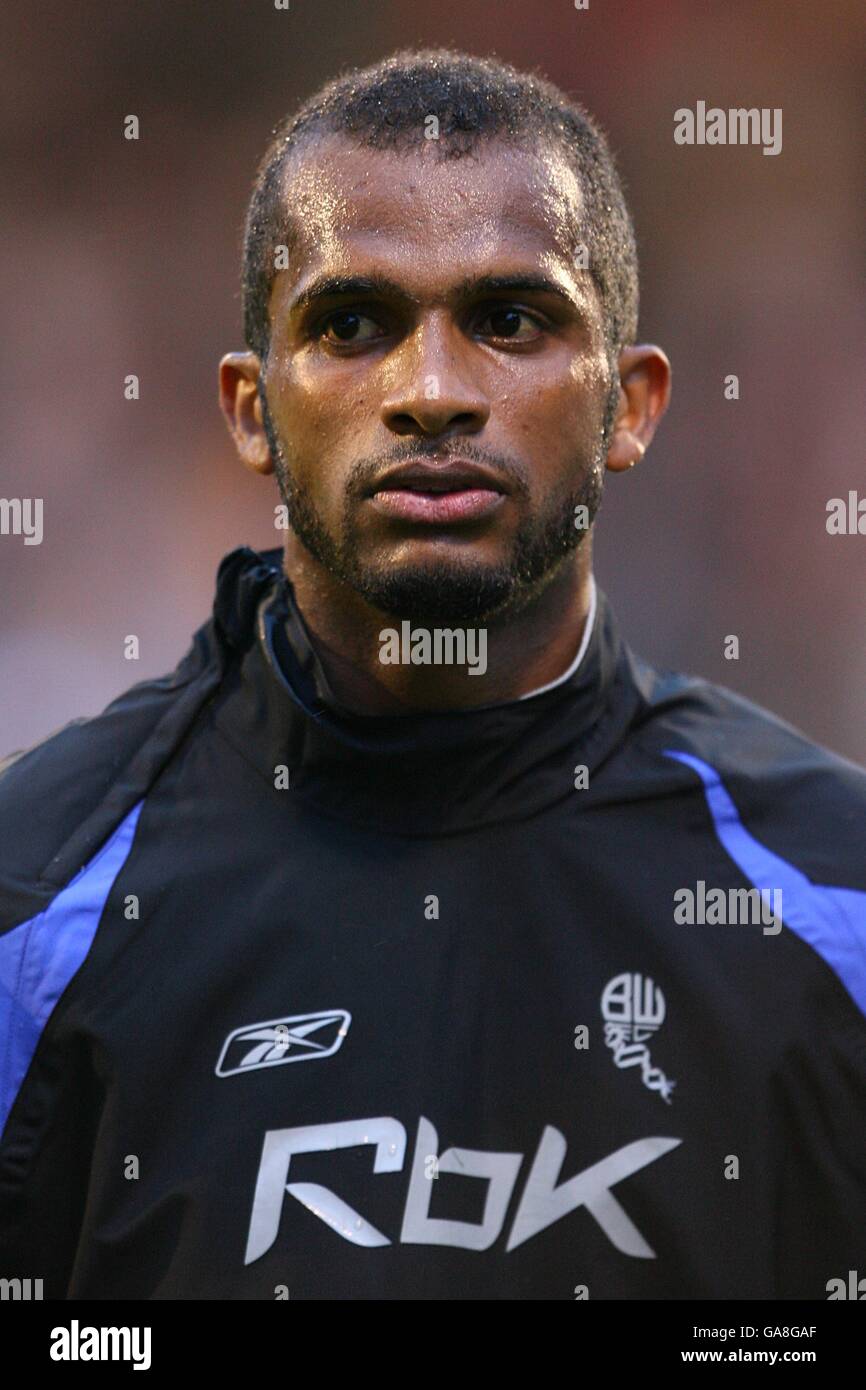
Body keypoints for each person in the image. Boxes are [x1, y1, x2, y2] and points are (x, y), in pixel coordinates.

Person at [1, 49, 864, 1301]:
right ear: (249, 409)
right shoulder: (35, 905)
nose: (433, 392)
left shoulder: (833, 905)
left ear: (630, 406)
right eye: (353, 324)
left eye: (509, 320)